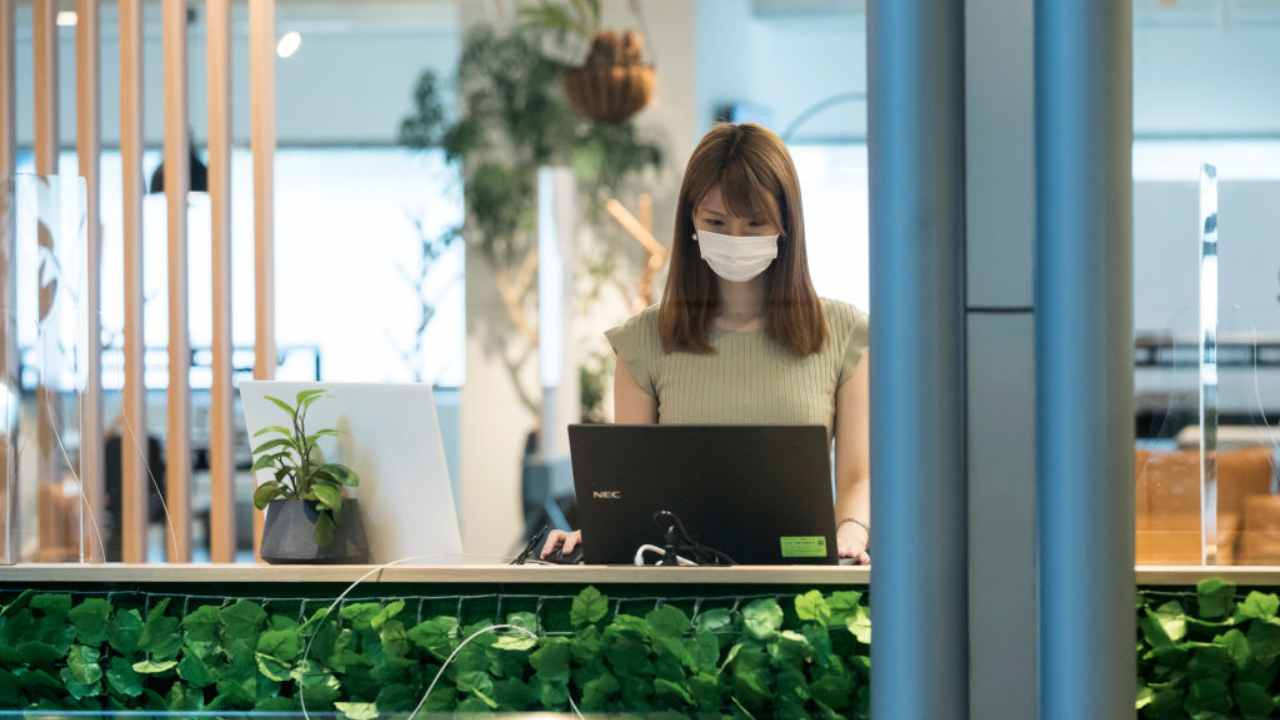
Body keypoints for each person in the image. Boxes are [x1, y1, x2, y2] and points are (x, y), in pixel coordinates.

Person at [542, 122, 871, 563]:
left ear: (786, 225)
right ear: (691, 222)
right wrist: (597, 531)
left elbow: (856, 479)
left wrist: (850, 533)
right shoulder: (643, 343)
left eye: (755, 223)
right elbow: (631, 495)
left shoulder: (843, 333)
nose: (735, 239)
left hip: (802, 580)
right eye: (716, 222)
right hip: (680, 591)